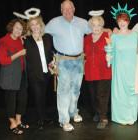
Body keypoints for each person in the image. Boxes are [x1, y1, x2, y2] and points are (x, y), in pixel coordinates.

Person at [45, 0, 91, 131]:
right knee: (63, 91)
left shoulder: (83, 22)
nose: (67, 11)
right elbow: (39, 30)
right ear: (61, 11)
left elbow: (95, 30)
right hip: (63, 61)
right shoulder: (54, 23)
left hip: (79, 60)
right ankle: (64, 120)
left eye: (69, 8)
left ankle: (73, 112)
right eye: (64, 9)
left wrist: (109, 29)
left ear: (74, 9)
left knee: (76, 89)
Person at [106, 3, 138, 125]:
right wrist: (108, 57)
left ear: (129, 21)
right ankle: (121, 117)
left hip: (132, 69)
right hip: (119, 69)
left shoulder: (134, 35)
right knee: (120, 93)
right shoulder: (114, 37)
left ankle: (131, 116)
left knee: (132, 93)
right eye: (120, 21)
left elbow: (137, 51)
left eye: (124, 20)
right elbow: (111, 52)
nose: (122, 23)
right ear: (117, 22)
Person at [0, 19, 29, 134]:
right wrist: (19, 54)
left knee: (23, 98)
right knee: (11, 100)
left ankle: (18, 120)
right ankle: (12, 124)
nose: (18, 30)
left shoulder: (20, 40)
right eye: (16, 27)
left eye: (20, 29)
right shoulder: (3, 41)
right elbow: (3, 60)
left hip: (20, 75)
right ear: (11, 27)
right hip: (9, 76)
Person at [24, 16, 53, 129]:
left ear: (40, 25)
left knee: (43, 95)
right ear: (29, 27)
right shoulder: (26, 40)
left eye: (37, 24)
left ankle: (44, 116)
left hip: (46, 72)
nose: (35, 26)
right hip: (34, 73)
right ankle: (41, 118)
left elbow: (50, 53)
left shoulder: (46, 37)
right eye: (32, 25)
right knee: (38, 96)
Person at [84, 10, 112, 129]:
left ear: (102, 26)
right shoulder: (86, 38)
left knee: (102, 95)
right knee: (93, 95)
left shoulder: (107, 36)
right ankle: (97, 112)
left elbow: (113, 50)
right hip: (90, 71)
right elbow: (84, 53)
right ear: (90, 26)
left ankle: (103, 118)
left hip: (104, 71)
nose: (96, 27)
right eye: (94, 25)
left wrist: (110, 56)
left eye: (99, 25)